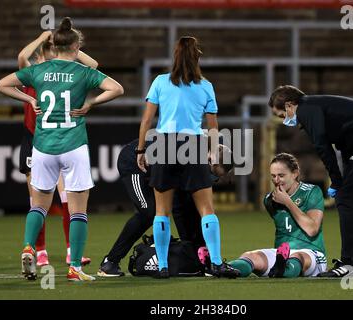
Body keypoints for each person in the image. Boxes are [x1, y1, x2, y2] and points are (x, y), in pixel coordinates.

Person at [0, 17, 124, 281]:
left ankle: (30, 246)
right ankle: (74, 267)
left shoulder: (38, 70)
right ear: (76, 46)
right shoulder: (82, 72)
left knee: (38, 205)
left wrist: (30, 98)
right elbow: (117, 88)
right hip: (73, 144)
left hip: (42, 146)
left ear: (53, 45)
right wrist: (90, 105)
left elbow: (1, 85)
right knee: (78, 210)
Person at [268, 85, 353, 278]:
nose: (284, 120)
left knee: (346, 199)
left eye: (281, 115)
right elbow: (345, 142)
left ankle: (348, 263)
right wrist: (343, 178)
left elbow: (322, 146)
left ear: (289, 105)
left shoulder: (306, 109)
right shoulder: (317, 106)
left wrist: (337, 182)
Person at [136, 36, 240, 278]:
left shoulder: (160, 82)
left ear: (175, 56)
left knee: (162, 211)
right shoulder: (205, 86)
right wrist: (213, 153)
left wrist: (141, 150)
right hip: (192, 144)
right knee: (206, 209)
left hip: (163, 144)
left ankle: (162, 266)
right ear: (197, 57)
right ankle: (215, 263)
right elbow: (213, 127)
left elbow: (146, 121)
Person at [98, 139, 233, 277]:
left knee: (188, 204)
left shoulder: (197, 157)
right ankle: (110, 261)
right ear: (210, 159)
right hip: (135, 163)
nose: (211, 179)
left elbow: (181, 207)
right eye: (213, 174)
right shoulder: (190, 152)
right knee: (148, 213)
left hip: (159, 168)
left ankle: (201, 259)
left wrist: (194, 250)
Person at [17, 31, 96, 267]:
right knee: (37, 200)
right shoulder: (34, 72)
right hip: (35, 139)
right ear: (44, 51)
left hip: (56, 140)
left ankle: (72, 250)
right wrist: (42, 39)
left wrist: (68, 47)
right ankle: (39, 250)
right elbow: (23, 56)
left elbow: (92, 64)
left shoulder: (61, 71)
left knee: (64, 197)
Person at [228, 153, 327, 278]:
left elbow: (312, 229)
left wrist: (287, 202)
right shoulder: (269, 200)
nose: (276, 180)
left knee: (298, 257)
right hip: (281, 253)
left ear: (295, 173)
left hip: (311, 252)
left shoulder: (312, 192)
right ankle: (222, 268)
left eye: (281, 175)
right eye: (273, 176)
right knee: (250, 256)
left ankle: (283, 269)